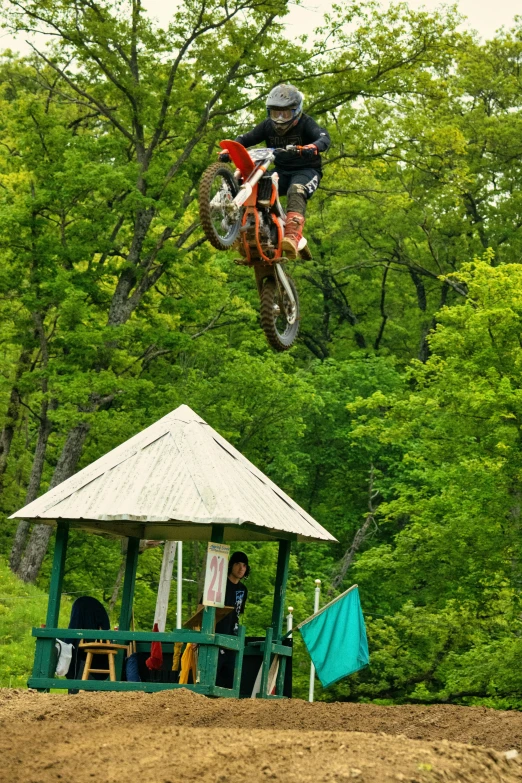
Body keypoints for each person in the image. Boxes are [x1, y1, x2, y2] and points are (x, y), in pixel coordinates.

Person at [219, 84, 331, 258]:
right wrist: (231, 149)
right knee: (259, 189)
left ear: (296, 112)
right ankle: (253, 230)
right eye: (274, 113)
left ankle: (292, 236)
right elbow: (246, 138)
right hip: (281, 171)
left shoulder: (306, 123)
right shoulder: (267, 126)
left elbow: (324, 137)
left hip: (307, 171)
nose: (279, 119)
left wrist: (312, 147)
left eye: (285, 113)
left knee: (296, 190)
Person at [215, 551, 249, 689]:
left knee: (231, 679)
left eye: (244, 565)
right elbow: (202, 608)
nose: (241, 568)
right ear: (230, 565)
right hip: (216, 635)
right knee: (213, 676)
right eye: (238, 564)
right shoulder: (218, 584)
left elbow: (238, 614)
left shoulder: (243, 589)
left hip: (232, 639)